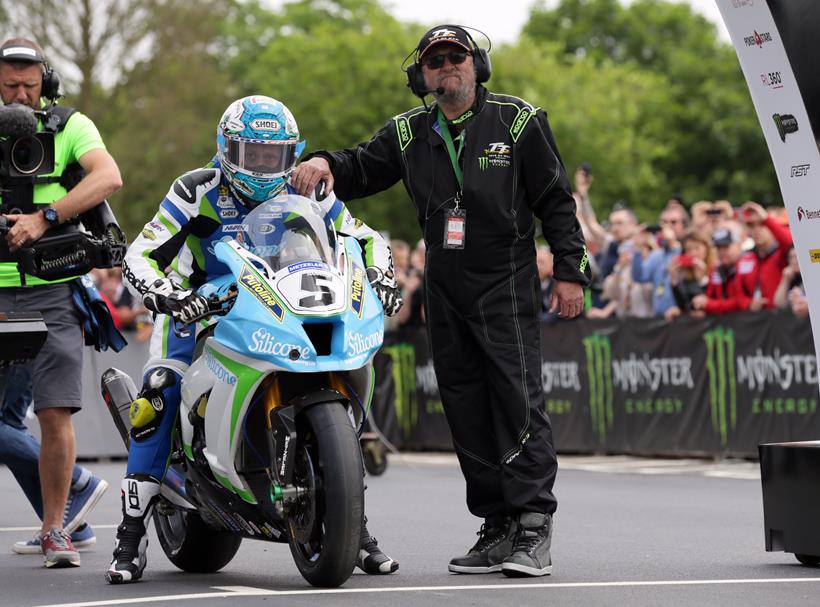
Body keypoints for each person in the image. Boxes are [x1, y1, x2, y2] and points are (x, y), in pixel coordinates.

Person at [292, 25, 590, 578]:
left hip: (505, 284)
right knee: (464, 406)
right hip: (443, 289)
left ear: (477, 65)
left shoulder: (520, 120)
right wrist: (324, 162)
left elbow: (557, 202)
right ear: (421, 75)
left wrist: (570, 273)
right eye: (436, 61)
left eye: (457, 57)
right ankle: (497, 524)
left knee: (517, 400)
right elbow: (360, 166)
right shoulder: (408, 132)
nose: (447, 66)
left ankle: (532, 525)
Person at [108, 96, 401, 583]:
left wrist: (380, 276)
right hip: (200, 313)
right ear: (227, 149)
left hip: (277, 306)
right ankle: (130, 534)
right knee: (160, 389)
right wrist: (170, 295)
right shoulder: (194, 188)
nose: (266, 167)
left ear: (292, 155)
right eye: (254, 156)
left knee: (345, 365)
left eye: (276, 156)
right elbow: (140, 254)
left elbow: (365, 237)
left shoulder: (308, 186)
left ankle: (354, 527)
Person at [0, 38, 120, 568]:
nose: (20, 95)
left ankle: (56, 531)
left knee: (53, 409)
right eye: (9, 86)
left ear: (45, 83)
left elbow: (107, 176)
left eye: (29, 85)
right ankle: (77, 494)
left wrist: (44, 217)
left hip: (50, 284)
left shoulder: (72, 125)